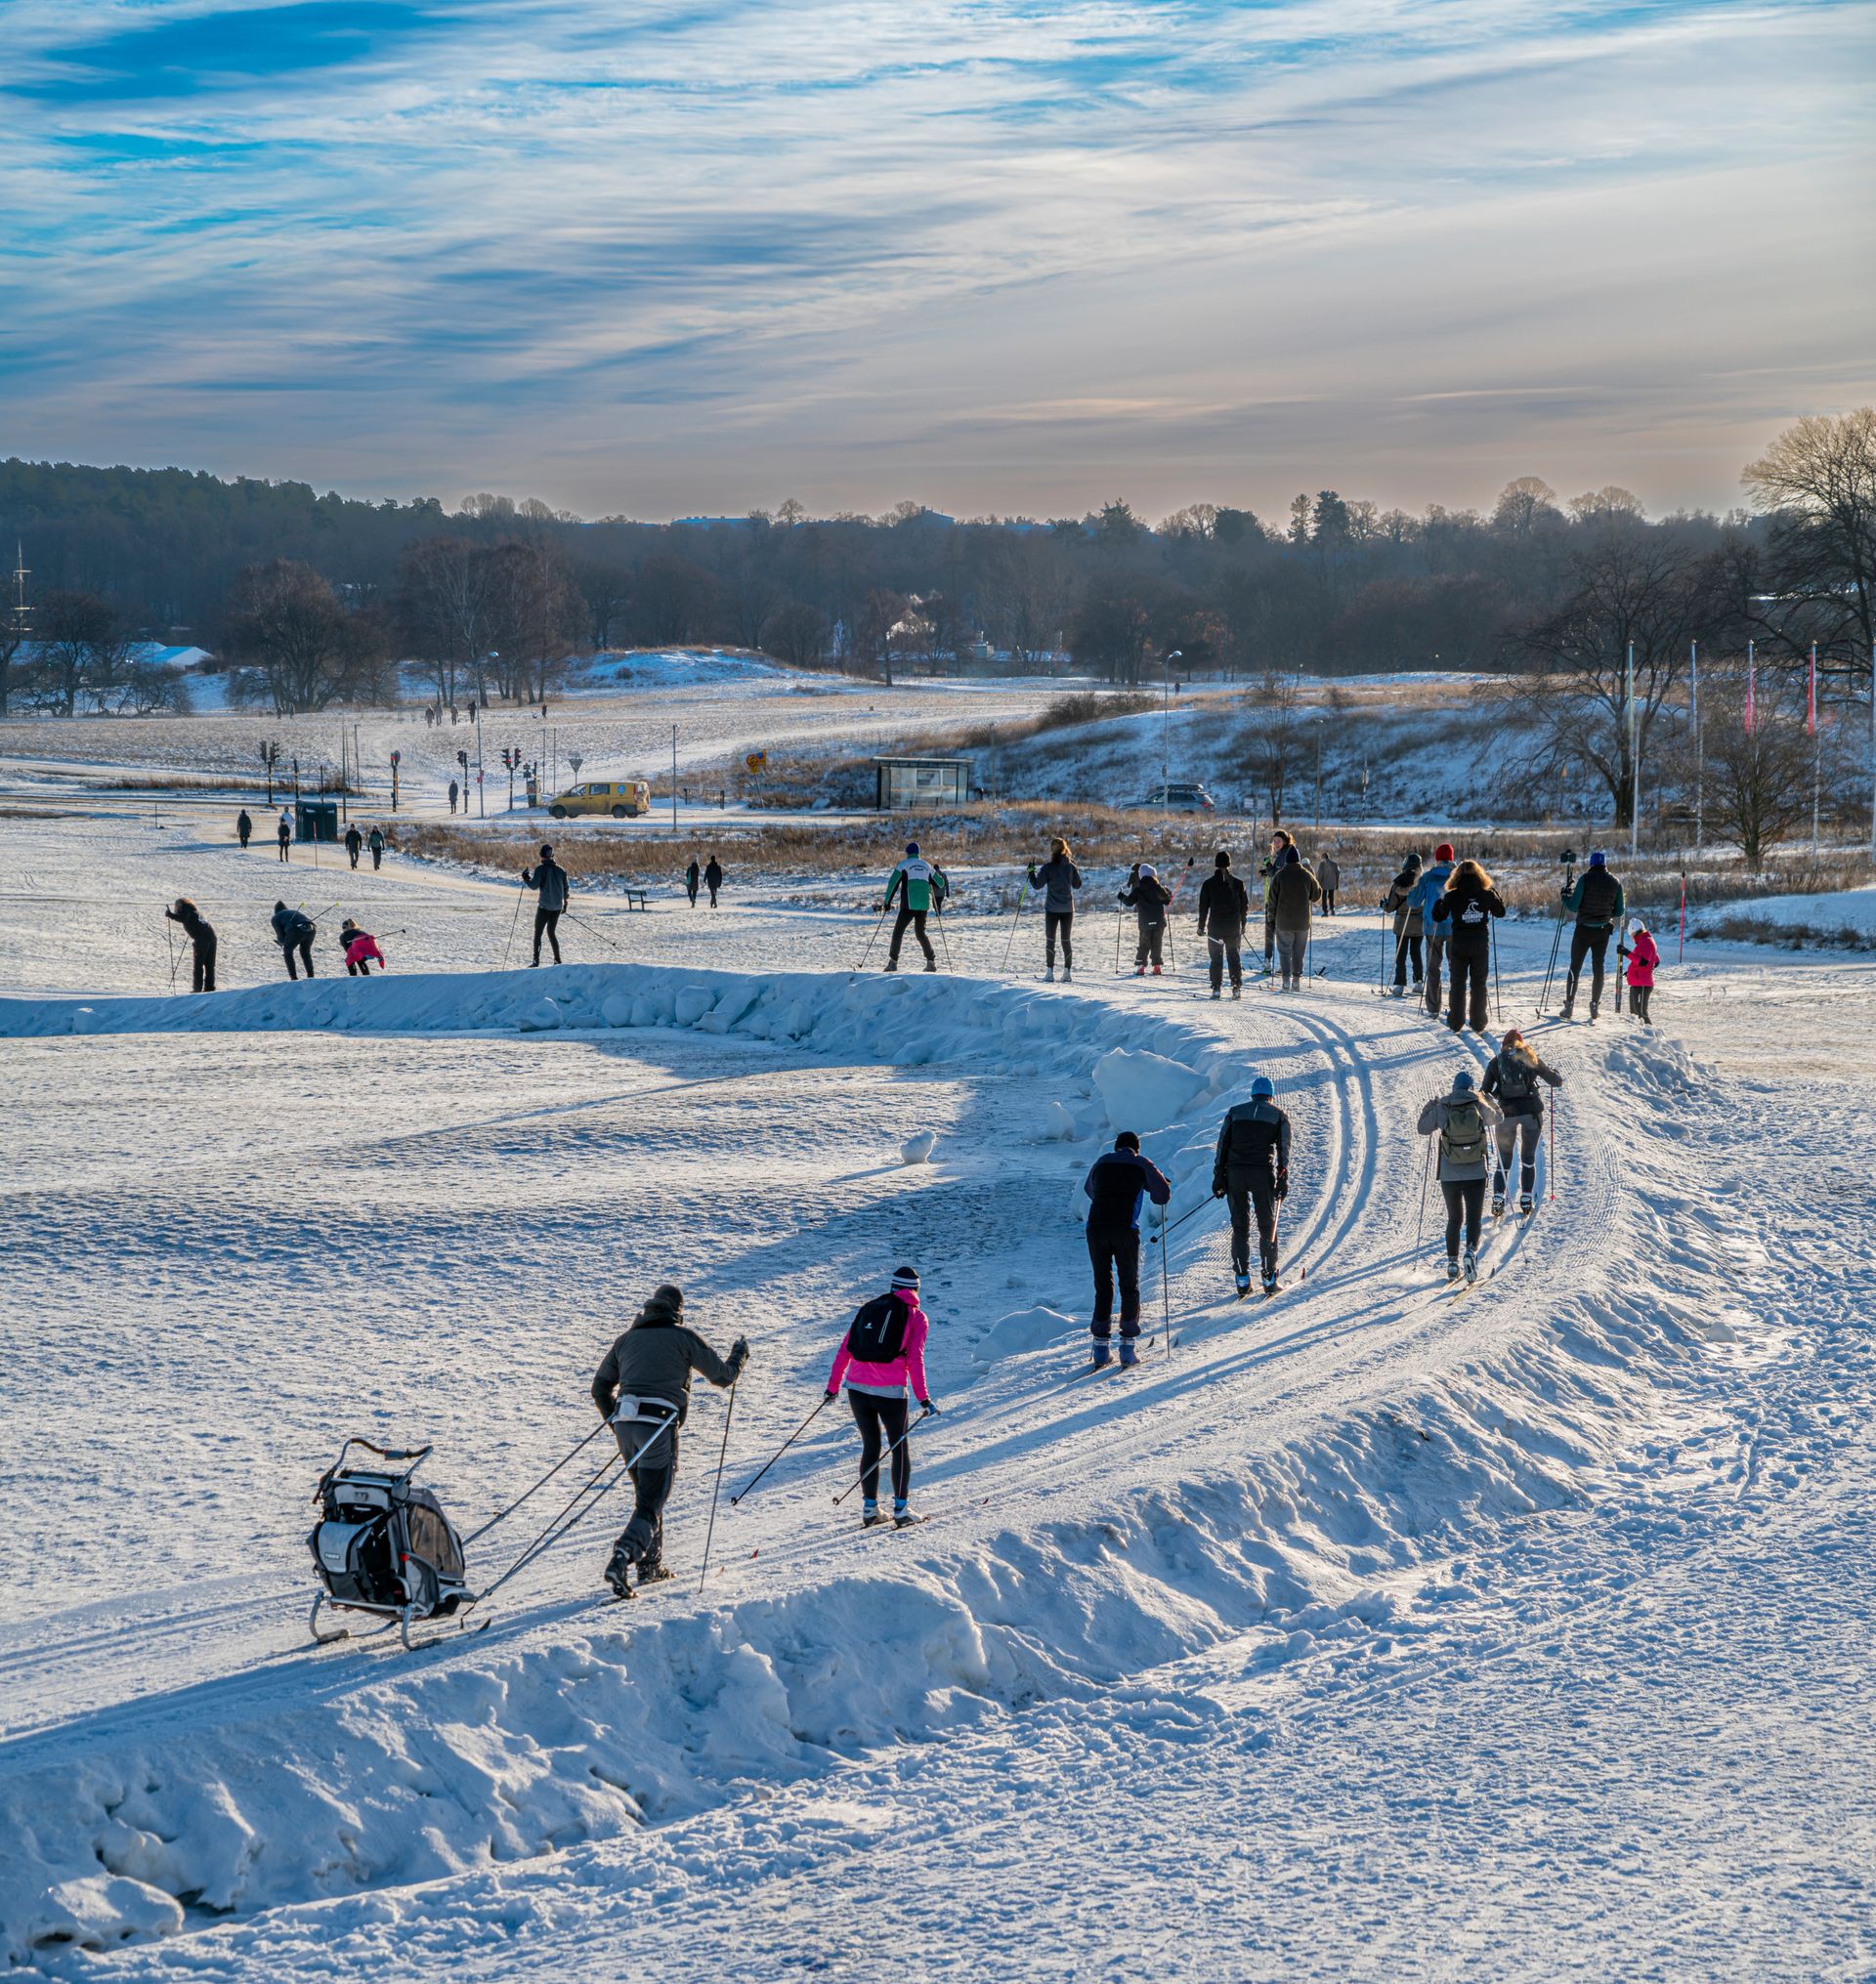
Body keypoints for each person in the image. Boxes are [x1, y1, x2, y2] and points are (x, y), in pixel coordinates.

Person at [592, 1285, 748, 1595]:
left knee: (647, 1497)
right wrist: (739, 1356)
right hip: (658, 1424)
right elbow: (722, 1377)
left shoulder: (625, 1340)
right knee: (652, 1500)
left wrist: (617, 1421)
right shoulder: (683, 1337)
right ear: (678, 1311)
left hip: (625, 1425)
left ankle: (650, 1567)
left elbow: (600, 1388)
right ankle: (623, 1557)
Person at [825, 1266, 936, 1526]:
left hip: (857, 1389)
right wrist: (924, 1398)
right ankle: (901, 1510)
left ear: (893, 1287)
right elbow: (915, 1359)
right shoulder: (916, 1317)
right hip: (891, 1393)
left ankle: (870, 1509)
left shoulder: (869, 1308)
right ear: (916, 1290)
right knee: (899, 1448)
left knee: (870, 1445)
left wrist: (833, 1387)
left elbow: (845, 1350)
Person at [1082, 1131, 1172, 1365]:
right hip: (1125, 1229)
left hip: (1096, 1227)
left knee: (1103, 1285)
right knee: (1129, 1285)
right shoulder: (1142, 1163)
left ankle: (1101, 1349)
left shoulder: (1102, 1161)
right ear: (1136, 1148)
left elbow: (1089, 1189)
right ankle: (1127, 1351)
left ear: (1117, 1146)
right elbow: (1162, 1196)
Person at [1417, 1070, 1502, 1283]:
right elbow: (1498, 1118)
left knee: (1455, 1218)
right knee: (1473, 1217)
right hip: (1475, 1172)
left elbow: (1423, 1128)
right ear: (1471, 1087)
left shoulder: (1443, 1106)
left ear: (1454, 1088)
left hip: (1449, 1174)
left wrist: (1430, 1106)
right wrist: (1490, 1100)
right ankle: (1470, 1252)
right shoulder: (1478, 1103)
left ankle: (1452, 1263)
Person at [1212, 1075, 1291, 1296]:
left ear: (1253, 1094)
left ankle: (1242, 1279)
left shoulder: (1235, 1112)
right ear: (1271, 1096)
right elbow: (1284, 1149)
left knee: (1240, 1226)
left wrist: (1219, 1176)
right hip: (1261, 1174)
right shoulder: (1278, 1115)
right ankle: (1269, 1278)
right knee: (1267, 1226)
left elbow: (1222, 1145)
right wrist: (1282, 1177)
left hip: (1235, 1173)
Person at [1481, 1027, 1561, 1215]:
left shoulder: (1495, 1062)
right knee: (1528, 1158)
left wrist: (1493, 1101)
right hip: (1531, 1113)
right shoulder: (1531, 1058)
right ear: (1522, 1044)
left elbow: (1484, 1091)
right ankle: (1526, 1199)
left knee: (1504, 1160)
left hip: (1506, 1116)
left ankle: (1498, 1198)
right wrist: (1555, 1073)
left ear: (1503, 1045)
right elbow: (1556, 1081)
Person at [1429, 858, 1505, 1034]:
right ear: (1480, 875)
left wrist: (1438, 902)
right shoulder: (1486, 894)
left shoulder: (1452, 895)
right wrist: (1495, 895)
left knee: (1458, 983)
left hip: (1459, 945)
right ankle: (1479, 1022)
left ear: (1457, 876)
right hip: (1480, 945)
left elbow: (1438, 916)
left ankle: (1456, 1022)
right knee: (1479, 983)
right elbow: (1500, 912)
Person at [1560, 850, 1624, 1020]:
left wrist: (1565, 897)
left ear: (1591, 864)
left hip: (1583, 931)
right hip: (1602, 932)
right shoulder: (1615, 882)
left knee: (1575, 967)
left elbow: (1573, 906)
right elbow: (1619, 911)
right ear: (1605, 864)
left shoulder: (1585, 879)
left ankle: (1569, 1007)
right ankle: (1594, 1005)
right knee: (1598, 968)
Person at [882, 842, 947, 973]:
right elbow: (940, 883)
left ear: (907, 853)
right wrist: (928, 882)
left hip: (908, 905)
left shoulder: (903, 865)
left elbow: (892, 884)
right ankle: (931, 962)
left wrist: (887, 902)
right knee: (920, 933)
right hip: (923, 905)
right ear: (918, 853)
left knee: (898, 932)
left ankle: (893, 963)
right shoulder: (927, 865)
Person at [1026, 836, 1082, 982]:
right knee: (1066, 940)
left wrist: (1031, 872)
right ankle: (1067, 972)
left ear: (1052, 850)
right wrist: (1075, 870)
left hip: (1052, 909)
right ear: (1065, 849)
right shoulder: (1071, 866)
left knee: (1050, 940)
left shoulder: (1048, 868)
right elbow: (1077, 885)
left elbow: (1037, 885)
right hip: (1068, 909)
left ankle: (1049, 972)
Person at [1196, 849, 1249, 999]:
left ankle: (1216, 989)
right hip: (1233, 928)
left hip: (1215, 928)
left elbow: (1203, 907)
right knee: (1234, 958)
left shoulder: (1208, 884)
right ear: (1229, 864)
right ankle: (1236, 988)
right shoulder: (1239, 883)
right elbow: (1244, 906)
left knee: (1216, 959)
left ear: (1215, 864)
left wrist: (1201, 926)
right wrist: (1242, 924)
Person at [1267, 845, 1321, 991]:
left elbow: (1272, 901)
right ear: (1298, 860)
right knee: (1299, 951)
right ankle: (1296, 980)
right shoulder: (1306, 875)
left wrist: (1271, 920)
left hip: (1283, 922)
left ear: (1286, 860)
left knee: (1284, 951)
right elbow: (1317, 895)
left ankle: (1285, 980)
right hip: (1302, 922)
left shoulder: (1279, 876)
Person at [1412, 843, 1456, 1016]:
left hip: (1432, 928)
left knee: (1433, 968)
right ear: (1451, 859)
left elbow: (1413, 901)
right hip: (1454, 928)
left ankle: (1433, 1007)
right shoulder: (1457, 878)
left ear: (1437, 859)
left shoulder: (1428, 877)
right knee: (1456, 968)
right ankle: (1455, 1007)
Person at [1382, 852, 1424, 995]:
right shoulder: (1422, 882)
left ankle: (1399, 985)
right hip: (1419, 923)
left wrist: (1383, 905)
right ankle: (1419, 983)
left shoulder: (1398, 883)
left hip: (1402, 923)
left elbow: (1390, 907)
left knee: (1401, 953)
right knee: (1416, 952)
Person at [1120, 862, 1172, 975]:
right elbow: (1167, 901)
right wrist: (1169, 893)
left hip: (1145, 922)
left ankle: (1141, 966)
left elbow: (1129, 902)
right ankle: (1157, 967)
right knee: (1157, 943)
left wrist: (1122, 897)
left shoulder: (1138, 890)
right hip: (1159, 922)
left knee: (1144, 944)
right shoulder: (1158, 888)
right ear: (1153, 875)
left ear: (1141, 876)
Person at [523, 842, 571, 965]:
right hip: (557, 908)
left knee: (538, 933)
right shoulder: (561, 870)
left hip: (544, 907)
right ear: (552, 855)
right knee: (551, 933)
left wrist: (526, 878)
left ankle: (536, 960)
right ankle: (557, 960)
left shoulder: (540, 869)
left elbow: (533, 886)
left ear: (542, 855)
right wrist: (565, 904)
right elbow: (566, 889)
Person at [1258, 828, 1295, 975]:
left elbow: (1281, 875)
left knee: (1276, 931)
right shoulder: (1281, 854)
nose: (1276, 843)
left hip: (1281, 900)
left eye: (1279, 841)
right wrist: (1268, 868)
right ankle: (1271, 961)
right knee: (1272, 929)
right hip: (1276, 897)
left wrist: (1270, 869)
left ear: (1285, 841)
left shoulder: (1287, 854)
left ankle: (1279, 964)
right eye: (1274, 841)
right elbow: (1275, 873)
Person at [164, 898, 217, 993]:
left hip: (202, 939)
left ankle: (197, 989)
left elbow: (184, 919)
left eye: (177, 906)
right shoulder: (195, 911)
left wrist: (171, 915)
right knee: (209, 965)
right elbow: (198, 923)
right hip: (212, 937)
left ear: (180, 905)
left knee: (198, 965)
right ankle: (210, 988)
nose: (176, 909)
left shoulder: (186, 909)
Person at [1623, 919, 1659, 1023]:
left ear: (1634, 932)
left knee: (1641, 1015)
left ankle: (1650, 1037)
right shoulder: (1644, 941)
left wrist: (1626, 953)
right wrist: (1632, 972)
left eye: (1631, 935)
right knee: (1634, 1015)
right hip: (1638, 983)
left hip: (1642, 985)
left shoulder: (1646, 942)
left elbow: (1643, 962)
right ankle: (1638, 1036)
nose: (1631, 938)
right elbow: (1656, 960)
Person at [271, 901, 316, 980]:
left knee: (288, 952)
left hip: (295, 930)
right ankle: (311, 976)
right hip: (311, 928)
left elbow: (280, 935)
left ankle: (293, 978)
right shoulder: (293, 912)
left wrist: (282, 942)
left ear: (275, 911)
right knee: (305, 953)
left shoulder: (276, 917)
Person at [1317, 851, 1341, 916]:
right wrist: (1337, 882)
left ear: (1323, 857)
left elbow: (1320, 874)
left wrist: (1318, 882)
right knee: (1331, 896)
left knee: (1324, 897)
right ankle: (1332, 909)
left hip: (1324, 883)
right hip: (1332, 883)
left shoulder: (1322, 864)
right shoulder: (1334, 864)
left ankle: (1325, 911)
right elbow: (1338, 873)